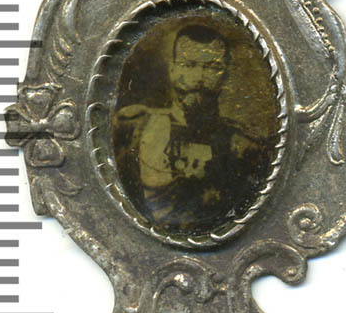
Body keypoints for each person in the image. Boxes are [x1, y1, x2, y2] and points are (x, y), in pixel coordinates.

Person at [112, 24, 272, 234]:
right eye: (188, 65)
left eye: (212, 67)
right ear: (172, 70)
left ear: (225, 75)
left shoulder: (244, 146)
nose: (199, 77)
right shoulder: (134, 127)